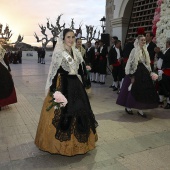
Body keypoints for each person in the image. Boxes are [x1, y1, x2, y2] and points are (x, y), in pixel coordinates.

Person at [35, 28, 98, 156]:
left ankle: (80, 145)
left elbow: (79, 70)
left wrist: (85, 71)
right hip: (63, 85)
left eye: (73, 37)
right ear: (63, 38)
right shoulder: (59, 53)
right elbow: (54, 72)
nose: (71, 39)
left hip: (76, 85)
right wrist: (53, 91)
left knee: (81, 110)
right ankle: (61, 146)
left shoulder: (76, 52)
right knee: (64, 113)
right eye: (68, 37)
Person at [116, 35, 159, 118]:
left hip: (144, 74)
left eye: (144, 40)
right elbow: (130, 63)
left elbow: (147, 63)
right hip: (135, 73)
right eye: (142, 40)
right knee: (132, 91)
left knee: (143, 92)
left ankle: (140, 109)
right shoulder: (134, 50)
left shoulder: (145, 50)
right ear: (138, 41)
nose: (143, 41)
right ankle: (128, 107)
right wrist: (131, 75)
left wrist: (150, 72)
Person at [0, 44, 17, 111]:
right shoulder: (1, 49)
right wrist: (8, 69)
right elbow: (5, 60)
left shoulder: (1, 49)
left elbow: (5, 60)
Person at [155, 38, 170, 109]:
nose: (165, 44)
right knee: (161, 85)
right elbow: (161, 58)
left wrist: (159, 52)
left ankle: (169, 102)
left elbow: (167, 58)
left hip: (166, 72)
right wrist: (159, 53)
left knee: (166, 86)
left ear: (168, 43)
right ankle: (160, 100)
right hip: (161, 71)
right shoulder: (166, 50)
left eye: (166, 42)